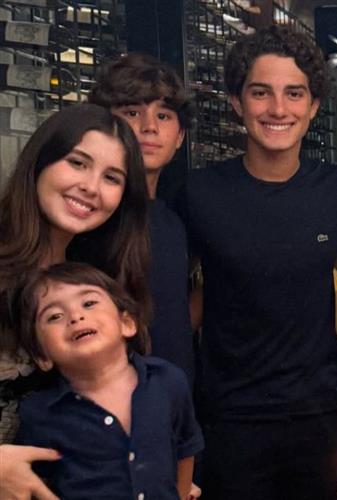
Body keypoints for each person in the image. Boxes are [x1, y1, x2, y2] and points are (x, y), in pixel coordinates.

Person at [176, 25, 337, 499]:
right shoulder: (200, 193)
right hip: (228, 421)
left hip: (321, 415)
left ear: (313, 106)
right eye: (261, 92)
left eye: (294, 93)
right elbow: (176, 300)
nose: (278, 109)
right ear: (237, 103)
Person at [0, 103, 149, 499]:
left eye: (112, 177)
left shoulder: (95, 283)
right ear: (40, 161)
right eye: (78, 163)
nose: (91, 187)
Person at [15, 262, 203, 499]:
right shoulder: (39, 414)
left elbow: (185, 448)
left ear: (127, 323)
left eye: (89, 303)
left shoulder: (167, 381)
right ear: (42, 356)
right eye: (54, 316)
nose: (75, 316)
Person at [89, 53, 195, 385]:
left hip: (174, 399)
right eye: (132, 113)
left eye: (163, 116)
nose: (149, 127)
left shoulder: (173, 221)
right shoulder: (91, 217)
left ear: (180, 137)